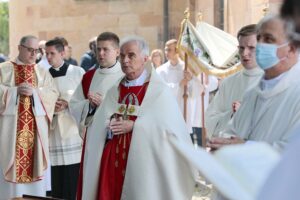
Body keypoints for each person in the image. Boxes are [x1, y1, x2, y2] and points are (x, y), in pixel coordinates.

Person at [77, 36, 196, 200]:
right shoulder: (115, 89)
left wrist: (135, 126)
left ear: (144, 58)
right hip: (113, 160)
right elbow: (99, 123)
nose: (125, 60)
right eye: (122, 56)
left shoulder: (158, 90)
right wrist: (108, 123)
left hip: (144, 160)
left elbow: (169, 127)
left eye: (131, 55)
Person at [207, 15, 300, 152]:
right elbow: (231, 133)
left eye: (268, 39)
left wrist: (245, 147)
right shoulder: (253, 93)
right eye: (259, 39)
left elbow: (293, 153)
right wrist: (221, 145)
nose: (261, 45)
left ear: (291, 48)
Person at [0, 35, 59, 198]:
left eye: (37, 51)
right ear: (19, 48)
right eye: (30, 50)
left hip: (36, 137)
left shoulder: (42, 72)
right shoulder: (3, 69)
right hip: (10, 135)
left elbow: (53, 93)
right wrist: (13, 92)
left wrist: (36, 93)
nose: (34, 54)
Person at [205, 24, 264, 138]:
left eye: (251, 48)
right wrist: (232, 115)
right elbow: (209, 121)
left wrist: (245, 112)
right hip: (229, 151)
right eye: (241, 48)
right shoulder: (228, 82)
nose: (244, 53)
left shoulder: (273, 81)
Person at [157, 39, 217, 145]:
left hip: (183, 111)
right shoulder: (161, 70)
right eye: (165, 50)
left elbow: (196, 92)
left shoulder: (187, 68)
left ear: (177, 51)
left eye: (169, 50)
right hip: (167, 112)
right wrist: (178, 85)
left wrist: (191, 80)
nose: (166, 53)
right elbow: (159, 90)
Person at [45, 38, 85, 200]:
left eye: (52, 53)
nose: (48, 57)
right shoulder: (43, 75)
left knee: (72, 177)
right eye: (46, 53)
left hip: (72, 132)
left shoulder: (78, 72)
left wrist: (69, 103)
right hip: (53, 133)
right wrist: (50, 106)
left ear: (62, 53)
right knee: (56, 180)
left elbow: (85, 99)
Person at [70, 32, 124, 138]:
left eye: (105, 49)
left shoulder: (125, 75)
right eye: (98, 49)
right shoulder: (88, 77)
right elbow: (74, 105)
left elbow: (132, 108)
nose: (101, 53)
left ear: (117, 52)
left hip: (116, 137)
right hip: (93, 136)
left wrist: (103, 104)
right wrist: (89, 106)